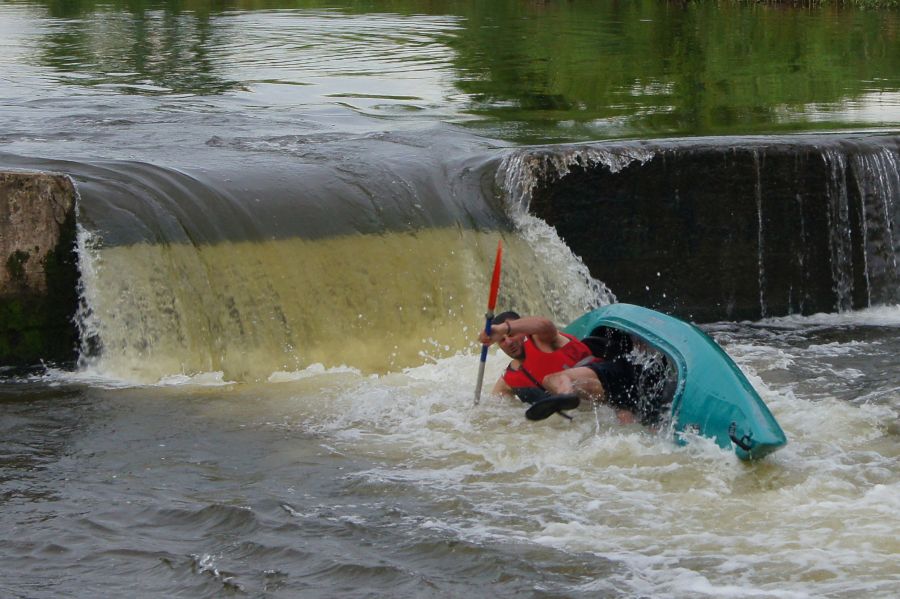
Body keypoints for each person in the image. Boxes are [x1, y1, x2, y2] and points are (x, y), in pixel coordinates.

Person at [478, 311, 638, 422]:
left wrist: (501, 329)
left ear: (523, 331)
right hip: (604, 404)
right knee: (627, 426)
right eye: (502, 340)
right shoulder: (509, 379)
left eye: (512, 335)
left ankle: (565, 395)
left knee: (552, 379)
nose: (508, 342)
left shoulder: (543, 339)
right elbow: (493, 409)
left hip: (614, 379)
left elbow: (544, 324)